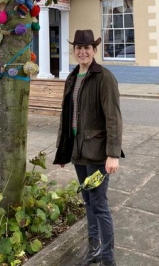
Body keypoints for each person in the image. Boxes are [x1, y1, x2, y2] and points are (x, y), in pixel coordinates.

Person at [53, 29, 123, 266]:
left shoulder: (104, 77)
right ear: (74, 51)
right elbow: (66, 116)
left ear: (94, 50)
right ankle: (93, 250)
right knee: (88, 202)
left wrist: (113, 154)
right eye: (78, 48)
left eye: (87, 48)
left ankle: (107, 258)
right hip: (77, 152)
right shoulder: (72, 77)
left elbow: (113, 118)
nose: (82, 52)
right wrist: (62, 150)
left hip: (97, 154)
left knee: (99, 204)